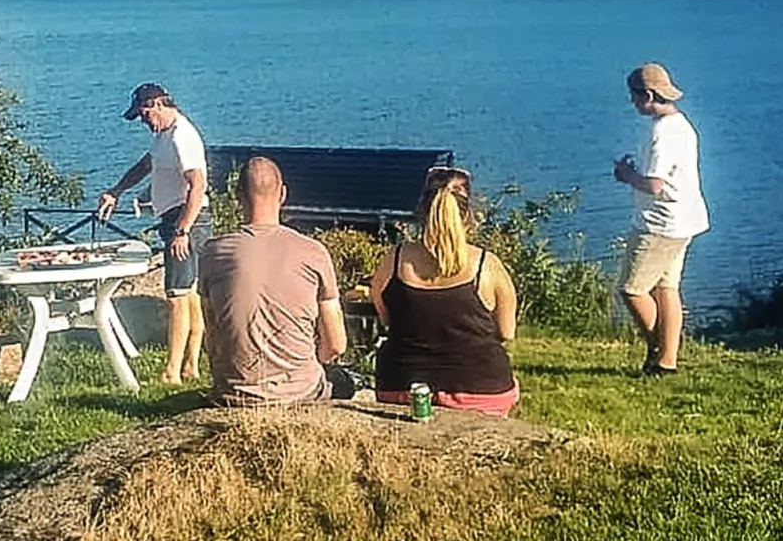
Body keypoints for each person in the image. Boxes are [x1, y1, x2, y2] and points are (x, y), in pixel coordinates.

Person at [198, 156, 356, 405]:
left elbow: (212, 340)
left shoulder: (213, 252)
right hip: (299, 392)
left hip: (233, 393)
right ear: (283, 194)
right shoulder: (313, 252)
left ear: (238, 195)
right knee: (345, 380)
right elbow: (336, 345)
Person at [368, 166, 520, 415]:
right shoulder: (486, 265)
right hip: (481, 387)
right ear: (468, 213)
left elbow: (386, 320)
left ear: (422, 209)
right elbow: (507, 331)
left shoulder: (395, 260)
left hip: (402, 384)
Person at [96, 82, 209, 385]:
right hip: (175, 219)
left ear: (158, 104)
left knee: (176, 295)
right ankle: (190, 366)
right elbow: (146, 164)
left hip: (186, 220)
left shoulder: (182, 137)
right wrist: (116, 191)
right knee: (189, 294)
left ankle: (172, 371)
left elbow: (198, 186)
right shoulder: (163, 136)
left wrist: (183, 230)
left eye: (145, 114)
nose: (143, 121)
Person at [613, 61, 709, 377]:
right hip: (685, 218)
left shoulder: (662, 133)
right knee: (666, 288)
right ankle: (666, 362)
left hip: (660, 222)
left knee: (632, 289)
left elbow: (654, 184)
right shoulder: (682, 125)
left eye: (634, 96)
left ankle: (658, 349)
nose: (633, 102)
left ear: (649, 94)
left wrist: (627, 175)